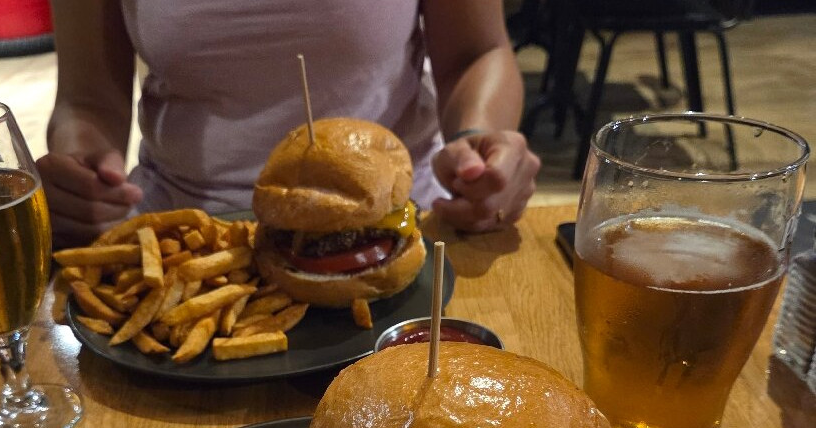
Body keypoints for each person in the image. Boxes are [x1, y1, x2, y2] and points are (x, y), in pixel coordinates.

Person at [38, 0, 541, 247]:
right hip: (182, 240)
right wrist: (81, 173)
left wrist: (477, 143)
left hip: (399, 225)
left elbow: (477, 53)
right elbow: (88, 100)